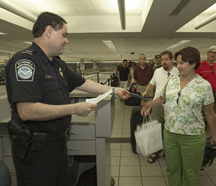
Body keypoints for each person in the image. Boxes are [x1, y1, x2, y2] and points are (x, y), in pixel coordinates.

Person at [5, 12, 129, 186]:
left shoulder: (57, 64)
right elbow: (27, 110)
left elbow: (83, 83)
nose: (66, 40)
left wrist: (115, 90)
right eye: (64, 35)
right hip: (36, 151)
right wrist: (73, 108)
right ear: (49, 31)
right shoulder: (26, 63)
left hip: (59, 145)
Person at [141, 47, 216, 186]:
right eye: (177, 63)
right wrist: (150, 104)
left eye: (182, 63)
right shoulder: (172, 80)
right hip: (170, 134)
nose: (178, 66)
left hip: (192, 136)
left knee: (190, 172)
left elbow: (210, 114)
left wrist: (214, 135)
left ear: (193, 64)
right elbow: (162, 99)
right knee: (172, 169)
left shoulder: (204, 86)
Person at [141, 50, 179, 163]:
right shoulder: (157, 71)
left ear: (171, 60)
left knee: (170, 130)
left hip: (172, 105)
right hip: (157, 104)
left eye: (166, 59)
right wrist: (145, 92)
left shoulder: (178, 71)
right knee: (156, 128)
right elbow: (151, 83)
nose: (164, 62)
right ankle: (155, 151)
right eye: (162, 60)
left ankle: (168, 151)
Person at [195, 45, 216, 137]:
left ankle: (208, 134)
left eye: (215, 53)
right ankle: (200, 132)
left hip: (214, 93)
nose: (213, 54)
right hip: (203, 93)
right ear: (207, 53)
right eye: (211, 52)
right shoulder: (201, 66)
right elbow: (195, 80)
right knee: (202, 114)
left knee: (213, 114)